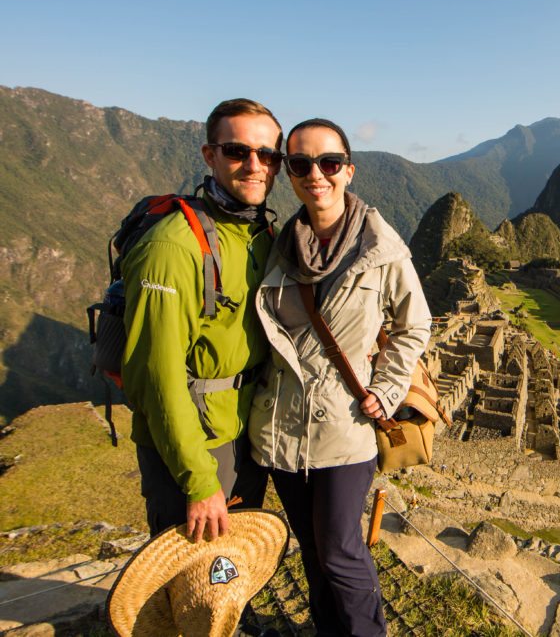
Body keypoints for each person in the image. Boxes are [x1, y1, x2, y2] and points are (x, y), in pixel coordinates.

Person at [249, 117, 431, 636]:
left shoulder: (382, 250)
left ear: (348, 170)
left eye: (329, 163)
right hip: (282, 428)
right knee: (312, 549)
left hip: (345, 429)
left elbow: (414, 323)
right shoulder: (277, 249)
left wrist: (388, 387)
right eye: (301, 164)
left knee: (340, 550)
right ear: (289, 172)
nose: (316, 174)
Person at [121, 98, 282, 542]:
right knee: (189, 574)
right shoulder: (173, 247)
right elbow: (158, 374)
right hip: (196, 442)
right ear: (209, 155)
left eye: (267, 154)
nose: (255, 165)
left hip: (244, 432)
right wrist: (198, 478)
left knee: (231, 570)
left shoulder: (259, 234)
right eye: (237, 151)